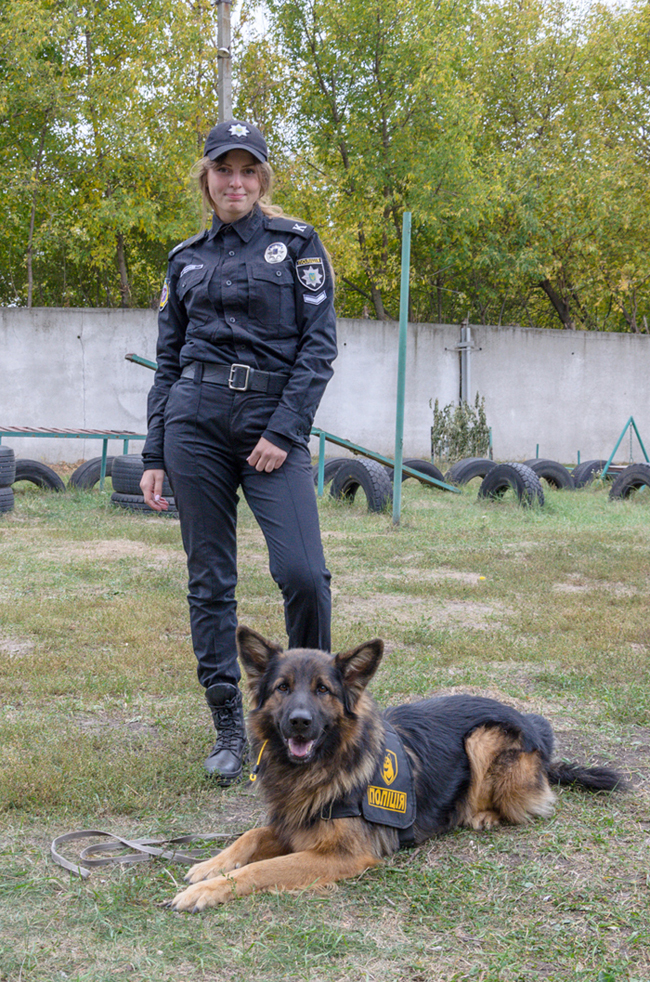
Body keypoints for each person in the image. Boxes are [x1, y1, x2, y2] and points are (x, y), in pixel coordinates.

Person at [140, 120, 337, 785]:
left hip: (270, 419)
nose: (236, 182)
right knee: (210, 579)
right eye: (223, 170)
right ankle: (230, 723)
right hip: (193, 421)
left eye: (248, 170)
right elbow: (167, 362)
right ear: (207, 178)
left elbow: (319, 348)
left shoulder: (297, 245)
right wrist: (154, 452)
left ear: (262, 179)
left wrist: (283, 431)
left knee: (303, 572)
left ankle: (315, 710)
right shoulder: (184, 259)